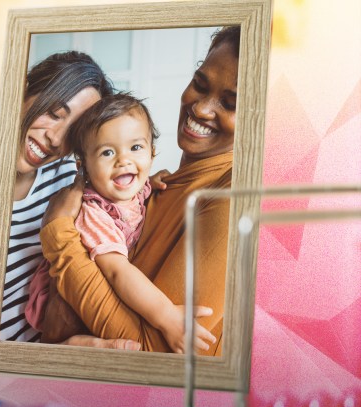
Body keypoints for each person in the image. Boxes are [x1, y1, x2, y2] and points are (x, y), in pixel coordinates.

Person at [39, 26, 241, 355]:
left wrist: (58, 235)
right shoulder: (152, 187)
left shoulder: (232, 196)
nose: (201, 109)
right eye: (199, 84)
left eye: (230, 103)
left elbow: (154, 353)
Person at [24, 93, 216, 353]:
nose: (123, 160)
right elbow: (117, 271)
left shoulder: (138, 190)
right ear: (84, 167)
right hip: (68, 309)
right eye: (107, 152)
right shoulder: (95, 213)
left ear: (152, 153)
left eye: (136, 148)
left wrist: (156, 182)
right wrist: (166, 316)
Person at [1, 51, 130, 347]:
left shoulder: (67, 177)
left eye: (72, 132)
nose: (56, 140)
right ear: (23, 93)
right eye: (54, 114)